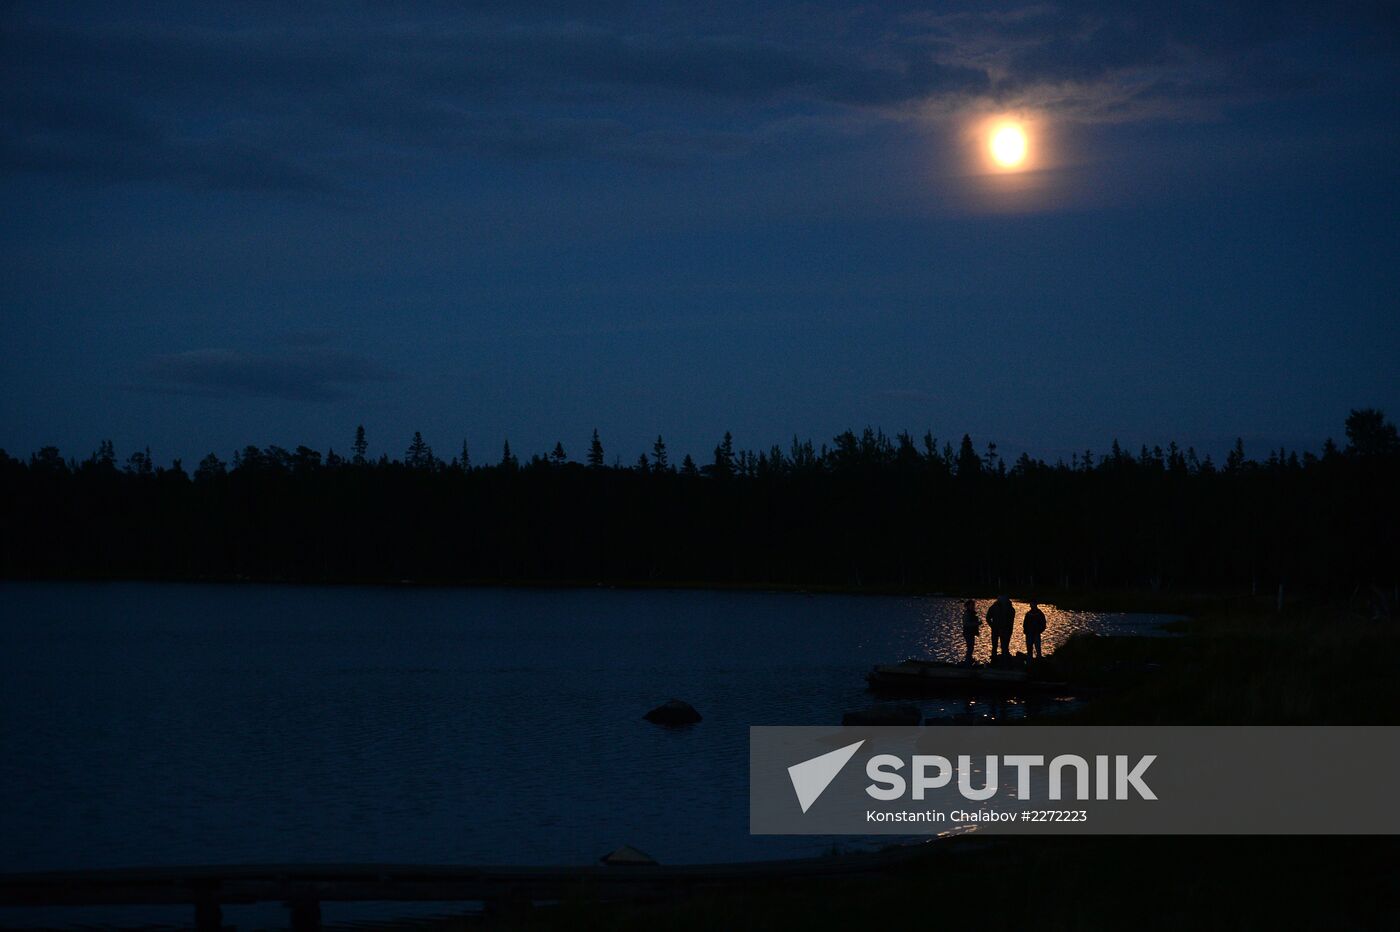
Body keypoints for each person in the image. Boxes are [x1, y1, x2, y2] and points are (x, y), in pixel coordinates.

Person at [960, 599, 980, 663]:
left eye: (973, 605)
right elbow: (966, 624)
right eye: (972, 605)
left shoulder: (971, 613)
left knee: (971, 648)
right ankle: (967, 662)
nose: (973, 606)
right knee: (970, 648)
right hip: (968, 633)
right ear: (968, 606)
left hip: (971, 633)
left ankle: (969, 661)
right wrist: (977, 623)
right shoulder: (967, 614)